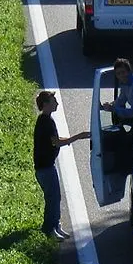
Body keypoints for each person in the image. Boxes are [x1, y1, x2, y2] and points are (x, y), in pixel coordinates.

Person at [33, 90, 90, 240]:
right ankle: (49, 229)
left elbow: (55, 139)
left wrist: (73, 138)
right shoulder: (46, 122)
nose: (57, 103)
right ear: (46, 104)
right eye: (54, 101)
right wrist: (78, 137)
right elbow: (56, 142)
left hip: (47, 167)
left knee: (56, 197)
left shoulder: (46, 120)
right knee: (52, 198)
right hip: (45, 168)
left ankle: (56, 225)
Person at [101, 57, 133, 124]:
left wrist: (113, 109)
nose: (121, 76)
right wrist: (111, 105)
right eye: (118, 73)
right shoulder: (125, 83)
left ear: (129, 71)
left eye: (123, 72)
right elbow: (122, 99)